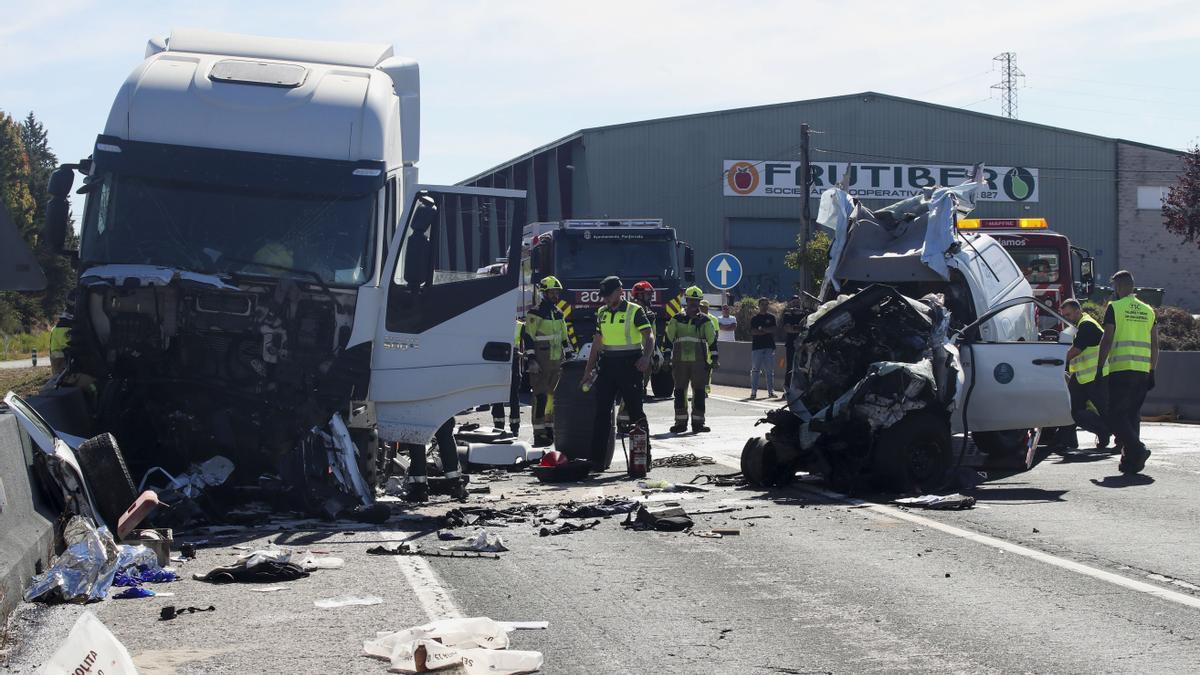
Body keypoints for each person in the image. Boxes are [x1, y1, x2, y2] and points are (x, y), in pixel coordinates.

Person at [582, 276, 655, 470]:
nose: (605, 299)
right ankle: (597, 460)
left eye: (608, 295)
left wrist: (646, 357)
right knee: (601, 413)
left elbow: (649, 336)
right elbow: (597, 342)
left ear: (619, 292)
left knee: (636, 413)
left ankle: (643, 458)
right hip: (607, 365)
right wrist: (588, 370)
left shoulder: (635, 311)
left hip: (630, 365)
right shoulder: (602, 313)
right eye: (603, 295)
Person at [1097, 270, 1159, 475]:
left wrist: (1099, 367)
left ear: (1119, 286)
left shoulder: (1115, 307)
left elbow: (1107, 339)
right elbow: (1155, 345)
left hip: (1121, 371)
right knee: (1132, 415)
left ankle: (1138, 449)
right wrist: (1152, 371)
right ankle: (1131, 462)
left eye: (1115, 286)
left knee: (1115, 416)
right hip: (1142, 372)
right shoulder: (1148, 310)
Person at [524, 276, 574, 447]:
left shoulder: (559, 313)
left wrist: (569, 356)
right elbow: (528, 337)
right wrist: (531, 360)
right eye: (552, 292)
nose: (555, 295)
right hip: (541, 361)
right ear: (544, 293)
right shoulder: (535, 312)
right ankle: (539, 432)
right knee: (540, 397)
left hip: (556, 361)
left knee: (553, 396)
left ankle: (549, 429)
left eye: (557, 292)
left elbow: (564, 338)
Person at [1060, 299, 1111, 448]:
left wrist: (1056, 361)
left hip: (1096, 376)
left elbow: (1075, 351)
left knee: (1104, 410)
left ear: (1078, 311)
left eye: (1068, 314)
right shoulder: (1075, 327)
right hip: (1083, 377)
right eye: (1063, 315)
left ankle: (1114, 437)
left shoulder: (1087, 324)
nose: (1066, 318)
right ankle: (1067, 442)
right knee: (1071, 410)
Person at [666, 287, 717, 433]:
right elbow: (668, 340)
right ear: (686, 300)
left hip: (699, 362)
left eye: (697, 301)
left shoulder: (705, 321)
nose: (694, 303)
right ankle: (680, 423)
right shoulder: (676, 319)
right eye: (691, 300)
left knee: (699, 392)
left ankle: (698, 423)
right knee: (680, 392)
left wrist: (715, 358)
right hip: (679, 361)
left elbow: (712, 341)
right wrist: (667, 357)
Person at [404, 418, 466, 502]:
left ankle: (419, 489)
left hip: (416, 410)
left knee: (416, 439)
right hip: (441, 408)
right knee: (445, 437)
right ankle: (456, 486)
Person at [491, 318, 524, 434]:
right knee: (497, 396)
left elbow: (527, 345)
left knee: (513, 397)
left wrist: (521, 354)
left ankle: (515, 428)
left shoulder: (520, 325)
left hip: (513, 364)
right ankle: (498, 426)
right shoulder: (496, 324)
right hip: (498, 364)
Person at [749, 298, 778, 399]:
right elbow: (753, 332)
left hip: (769, 346)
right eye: (763, 304)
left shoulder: (772, 317)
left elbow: (774, 329)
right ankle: (753, 392)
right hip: (757, 347)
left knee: (769, 370)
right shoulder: (755, 319)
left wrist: (763, 330)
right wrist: (766, 331)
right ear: (759, 306)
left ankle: (771, 391)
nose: (765, 306)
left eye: (766, 304)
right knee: (755, 370)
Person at [780, 296, 807, 391]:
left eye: (798, 302)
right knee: (790, 367)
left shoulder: (804, 314)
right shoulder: (788, 314)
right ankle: (787, 389)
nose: (796, 304)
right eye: (794, 302)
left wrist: (796, 329)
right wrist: (799, 329)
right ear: (790, 303)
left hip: (804, 345)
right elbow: (788, 329)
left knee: (803, 368)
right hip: (791, 344)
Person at [699, 300, 720, 394]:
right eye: (701, 306)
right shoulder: (697, 317)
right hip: (699, 346)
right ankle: (699, 389)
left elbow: (716, 334)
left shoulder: (713, 319)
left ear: (707, 308)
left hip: (709, 347)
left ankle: (706, 390)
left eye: (704, 307)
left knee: (708, 370)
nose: (702, 308)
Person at [49, 311, 73, 376]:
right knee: (63, 376)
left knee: (56, 376)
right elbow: (66, 344)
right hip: (61, 354)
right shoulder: (65, 329)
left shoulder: (55, 328)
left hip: (54, 354)